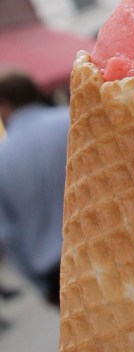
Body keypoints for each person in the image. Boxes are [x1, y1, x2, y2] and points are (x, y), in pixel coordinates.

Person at [0, 72, 70, 307]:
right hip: (113, 244)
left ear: (5, 104)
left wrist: (38, 284)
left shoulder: (2, 157)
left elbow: (8, 232)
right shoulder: (73, 119)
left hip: (55, 271)